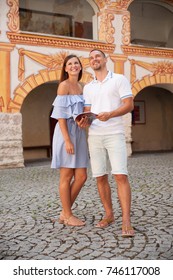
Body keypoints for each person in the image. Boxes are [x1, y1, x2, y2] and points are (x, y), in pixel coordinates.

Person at [79, 49, 134, 237]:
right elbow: (88, 111)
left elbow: (129, 105)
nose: (94, 59)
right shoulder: (88, 87)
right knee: (100, 177)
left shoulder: (119, 79)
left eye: (97, 56)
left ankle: (126, 219)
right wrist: (84, 120)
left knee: (120, 176)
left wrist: (110, 114)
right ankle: (109, 214)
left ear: (105, 59)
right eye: (91, 57)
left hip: (115, 133)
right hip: (94, 136)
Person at [51, 54, 89, 227]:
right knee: (66, 176)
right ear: (65, 68)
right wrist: (67, 140)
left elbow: (83, 112)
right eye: (70, 64)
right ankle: (68, 214)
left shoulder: (82, 86)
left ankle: (64, 212)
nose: (74, 66)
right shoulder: (63, 86)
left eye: (76, 63)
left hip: (80, 134)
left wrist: (86, 121)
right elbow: (60, 117)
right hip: (65, 133)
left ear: (80, 67)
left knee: (81, 176)